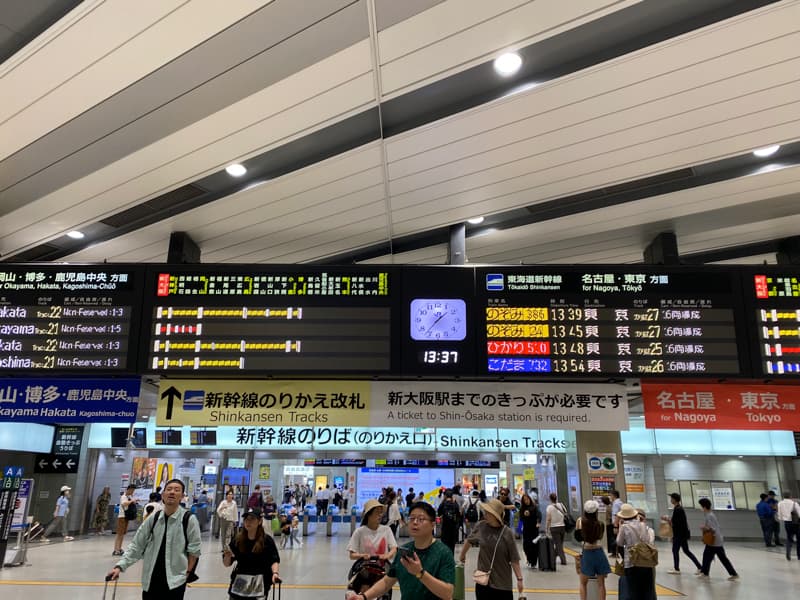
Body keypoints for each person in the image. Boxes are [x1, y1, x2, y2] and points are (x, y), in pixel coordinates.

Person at [107, 479, 202, 600]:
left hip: (175, 581)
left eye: (177, 490)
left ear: (182, 497)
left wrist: (187, 574)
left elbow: (194, 551)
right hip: (151, 579)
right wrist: (119, 567)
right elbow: (137, 545)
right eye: (169, 489)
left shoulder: (189, 519)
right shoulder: (154, 519)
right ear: (163, 495)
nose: (172, 492)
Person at [355, 502, 455, 600]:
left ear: (432, 525)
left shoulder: (443, 553)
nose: (415, 522)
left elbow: (447, 593)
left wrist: (420, 573)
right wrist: (364, 597)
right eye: (412, 518)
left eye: (421, 519)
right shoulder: (404, 551)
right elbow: (387, 582)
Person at [459, 498, 524, 600]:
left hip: (502, 584)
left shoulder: (507, 533)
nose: (485, 515)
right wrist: (462, 555)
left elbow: (514, 558)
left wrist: (519, 579)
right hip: (483, 582)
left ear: (496, 515)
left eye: (488, 513)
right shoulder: (481, 526)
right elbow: (469, 540)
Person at [222, 507, 281, 600]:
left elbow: (274, 560)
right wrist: (227, 556)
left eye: (252, 519)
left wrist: (275, 573)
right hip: (240, 580)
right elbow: (227, 564)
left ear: (260, 521)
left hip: (259, 582)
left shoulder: (267, 540)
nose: (248, 522)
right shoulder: (237, 540)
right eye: (246, 519)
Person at [615, 503, 654, 598]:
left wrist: (620, 528)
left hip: (631, 562)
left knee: (632, 589)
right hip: (644, 561)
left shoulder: (624, 527)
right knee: (646, 588)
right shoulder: (642, 524)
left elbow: (619, 542)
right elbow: (647, 540)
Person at [575, 500, 610, 600]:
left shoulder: (580, 521)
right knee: (601, 584)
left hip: (587, 552)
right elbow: (600, 536)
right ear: (596, 512)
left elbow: (578, 537)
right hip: (599, 552)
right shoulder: (600, 524)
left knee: (583, 583)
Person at [698, 497, 739, 581]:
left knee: (713, 557)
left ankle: (705, 573)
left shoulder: (709, 516)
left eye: (701, 506)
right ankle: (705, 572)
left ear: (704, 507)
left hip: (714, 541)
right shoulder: (710, 514)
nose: (701, 508)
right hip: (716, 540)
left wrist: (704, 528)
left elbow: (712, 529)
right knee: (709, 556)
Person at [347, 498, 397, 563]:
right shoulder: (359, 531)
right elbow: (352, 555)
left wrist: (388, 555)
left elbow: (394, 548)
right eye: (377, 512)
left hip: (383, 570)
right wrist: (362, 556)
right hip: (364, 569)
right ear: (368, 515)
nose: (380, 515)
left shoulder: (386, 530)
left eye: (381, 512)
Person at [663, 493, 701, 574]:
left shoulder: (678, 509)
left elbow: (675, 523)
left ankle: (676, 569)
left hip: (679, 535)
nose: (670, 500)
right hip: (682, 534)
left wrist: (667, 520)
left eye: (671, 498)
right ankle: (699, 567)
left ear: (674, 499)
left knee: (675, 550)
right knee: (686, 551)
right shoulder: (678, 508)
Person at [518, 492, 541, 568]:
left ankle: (533, 562)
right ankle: (529, 559)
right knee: (526, 546)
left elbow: (539, 515)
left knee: (534, 546)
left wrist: (538, 522)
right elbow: (521, 519)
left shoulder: (534, 507)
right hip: (526, 529)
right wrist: (519, 529)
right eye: (524, 500)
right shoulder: (522, 509)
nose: (526, 501)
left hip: (534, 529)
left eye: (527, 499)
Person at [545, 492, 568, 566]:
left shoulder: (549, 507)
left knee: (558, 545)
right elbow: (565, 513)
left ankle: (563, 560)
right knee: (560, 544)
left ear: (550, 499)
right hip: (562, 527)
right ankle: (553, 557)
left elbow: (548, 519)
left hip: (554, 528)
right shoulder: (561, 505)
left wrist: (547, 528)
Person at [113, 484, 137, 556]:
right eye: (132, 490)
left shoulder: (128, 497)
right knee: (119, 534)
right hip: (122, 517)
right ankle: (116, 549)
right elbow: (124, 504)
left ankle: (119, 548)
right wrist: (132, 501)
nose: (133, 492)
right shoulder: (123, 496)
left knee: (122, 534)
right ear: (129, 489)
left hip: (125, 517)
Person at [437, 489, 462, 554]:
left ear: (445, 496)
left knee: (444, 544)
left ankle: (445, 560)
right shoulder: (455, 504)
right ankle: (451, 560)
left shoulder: (443, 504)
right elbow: (459, 515)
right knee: (452, 545)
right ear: (452, 496)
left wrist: (443, 501)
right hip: (453, 528)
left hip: (445, 527)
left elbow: (439, 513)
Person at [776, 491, 800, 560]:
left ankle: (788, 553)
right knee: (799, 539)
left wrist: (785, 518)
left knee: (789, 538)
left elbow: (779, 516)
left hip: (787, 523)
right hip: (796, 524)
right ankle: (799, 556)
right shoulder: (794, 503)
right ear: (790, 496)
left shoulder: (780, 503)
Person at [609, 490, 623, 557]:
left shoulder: (616, 503)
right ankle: (617, 552)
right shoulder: (620, 502)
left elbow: (616, 515)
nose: (610, 497)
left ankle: (616, 553)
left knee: (615, 539)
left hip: (616, 523)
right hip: (620, 523)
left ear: (614, 496)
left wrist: (615, 526)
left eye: (610, 495)